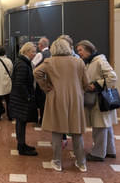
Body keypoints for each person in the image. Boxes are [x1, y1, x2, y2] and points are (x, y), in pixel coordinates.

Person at [34, 39, 89, 172]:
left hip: (56, 97)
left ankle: (57, 162)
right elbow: (86, 82)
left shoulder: (50, 61)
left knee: (57, 130)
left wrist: (46, 86)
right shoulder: (78, 61)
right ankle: (81, 163)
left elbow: (36, 72)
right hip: (75, 98)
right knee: (77, 131)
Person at [76, 40, 118, 162]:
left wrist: (96, 85)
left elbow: (113, 77)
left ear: (88, 49)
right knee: (106, 125)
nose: (79, 53)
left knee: (100, 127)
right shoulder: (90, 62)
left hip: (100, 99)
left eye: (80, 50)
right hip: (99, 99)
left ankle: (98, 154)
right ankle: (110, 151)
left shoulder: (99, 61)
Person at [9, 42, 38, 156]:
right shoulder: (22, 64)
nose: (35, 54)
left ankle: (22, 144)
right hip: (21, 99)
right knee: (21, 122)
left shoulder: (22, 62)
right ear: (27, 52)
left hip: (19, 98)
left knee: (21, 122)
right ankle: (21, 147)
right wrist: (28, 96)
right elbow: (20, 84)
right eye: (33, 51)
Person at [32, 37, 51, 126]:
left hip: (40, 82)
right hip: (50, 81)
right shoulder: (52, 53)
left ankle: (41, 120)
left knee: (40, 102)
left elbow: (32, 66)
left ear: (41, 45)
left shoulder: (40, 54)